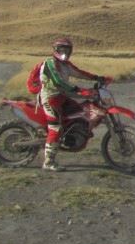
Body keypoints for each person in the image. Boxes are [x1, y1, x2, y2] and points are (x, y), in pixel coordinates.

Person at [38, 37, 107, 172]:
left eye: (67, 49)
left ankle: (71, 136)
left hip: (62, 97)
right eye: (62, 49)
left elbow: (79, 73)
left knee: (79, 111)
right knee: (56, 128)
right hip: (50, 98)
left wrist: (96, 77)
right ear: (56, 50)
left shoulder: (66, 64)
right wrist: (78, 90)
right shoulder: (50, 63)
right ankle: (48, 161)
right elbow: (58, 81)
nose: (65, 52)